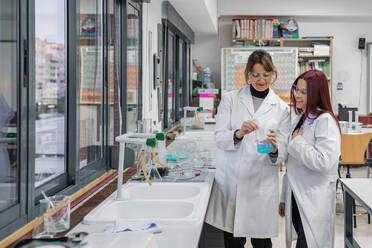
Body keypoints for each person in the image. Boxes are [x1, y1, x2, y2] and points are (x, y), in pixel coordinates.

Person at [205, 50, 291, 248]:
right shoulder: (230, 99)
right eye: (256, 74)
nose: (261, 79)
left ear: (273, 74)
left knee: (262, 243)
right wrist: (238, 133)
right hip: (234, 181)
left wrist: (275, 149)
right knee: (233, 242)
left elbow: (284, 150)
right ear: (248, 75)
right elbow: (219, 137)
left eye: (266, 74)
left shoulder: (281, 108)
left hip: (261, 184)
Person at [279, 70, 341, 248]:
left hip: (315, 199)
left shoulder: (325, 121)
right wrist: (284, 196)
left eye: (304, 92)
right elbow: (292, 162)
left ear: (316, 94)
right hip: (297, 195)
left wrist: (297, 143)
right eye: (296, 89)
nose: (297, 95)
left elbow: (324, 161)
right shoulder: (302, 117)